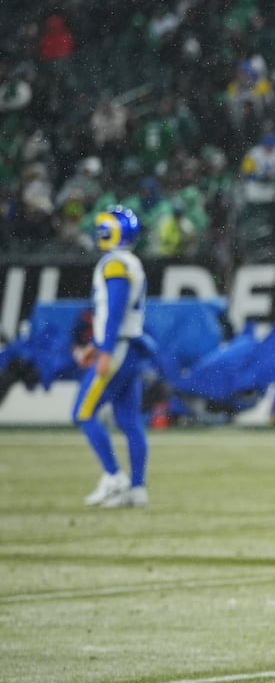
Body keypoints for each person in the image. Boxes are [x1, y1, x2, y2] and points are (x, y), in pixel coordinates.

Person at [76, 206, 155, 508]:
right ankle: (136, 488)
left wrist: (104, 349)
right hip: (129, 346)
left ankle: (113, 476)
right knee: (128, 419)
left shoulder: (114, 264)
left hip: (119, 348)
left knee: (83, 413)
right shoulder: (130, 262)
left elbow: (115, 312)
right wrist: (98, 345)